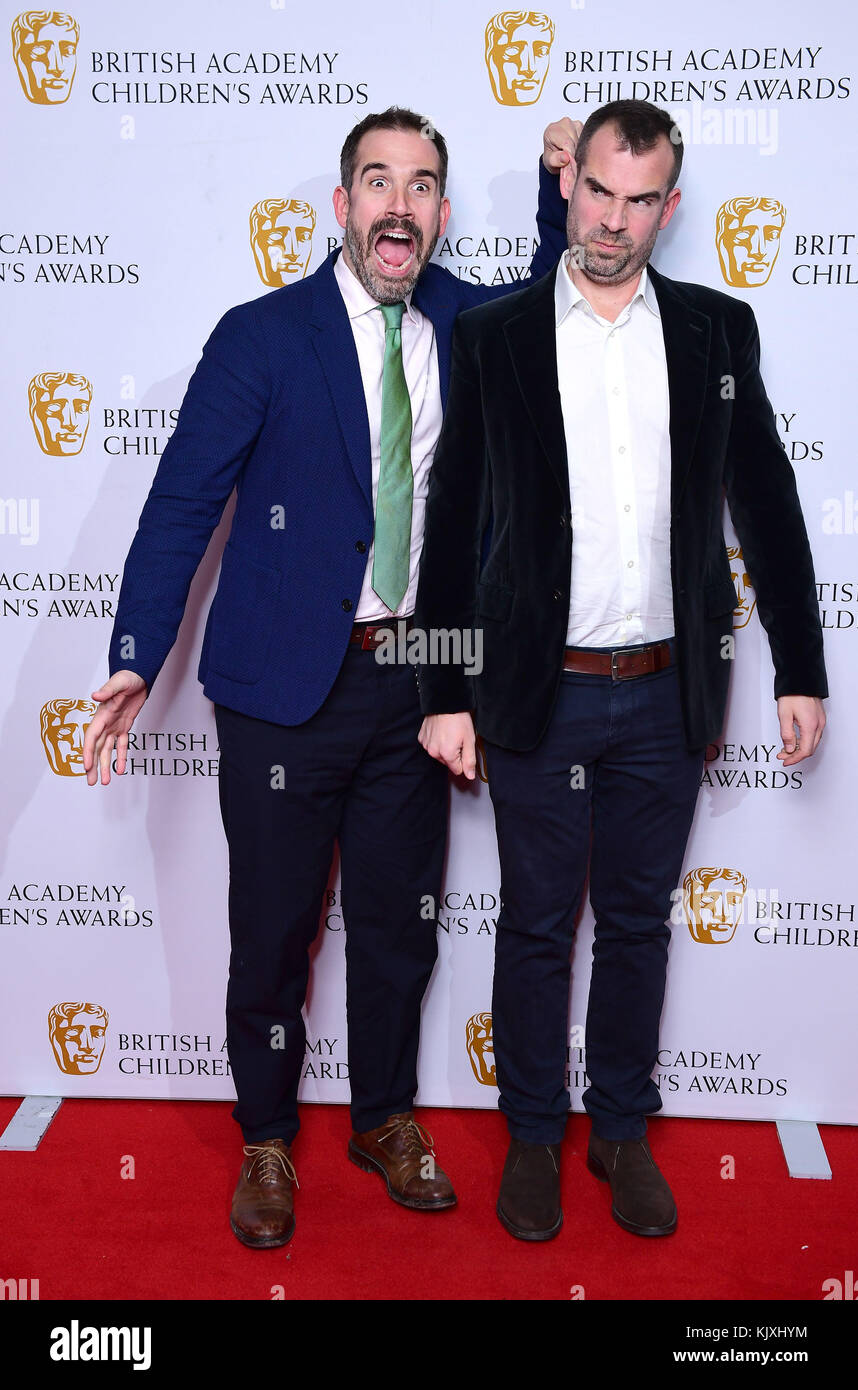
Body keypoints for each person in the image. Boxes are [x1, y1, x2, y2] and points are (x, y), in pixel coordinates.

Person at [82, 106, 579, 1249]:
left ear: (442, 213)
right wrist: (131, 655)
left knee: (402, 928)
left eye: (421, 186)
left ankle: (385, 1117)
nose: (398, 205)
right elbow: (180, 509)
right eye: (376, 181)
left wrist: (558, 197)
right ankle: (264, 1137)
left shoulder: (469, 321)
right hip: (278, 689)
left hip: (418, 673)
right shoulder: (261, 336)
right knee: (272, 929)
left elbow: (560, 307)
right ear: (344, 204)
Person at [414, 99, 827, 1242]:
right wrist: (442, 690)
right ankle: (536, 1137)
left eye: (641, 199)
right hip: (539, 690)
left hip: (664, 686)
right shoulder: (495, 335)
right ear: (568, 186)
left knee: (639, 919)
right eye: (599, 190)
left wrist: (803, 666)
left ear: (669, 206)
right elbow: (452, 526)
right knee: (540, 922)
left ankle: (623, 1131)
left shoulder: (714, 331)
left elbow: (771, 502)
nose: (616, 217)